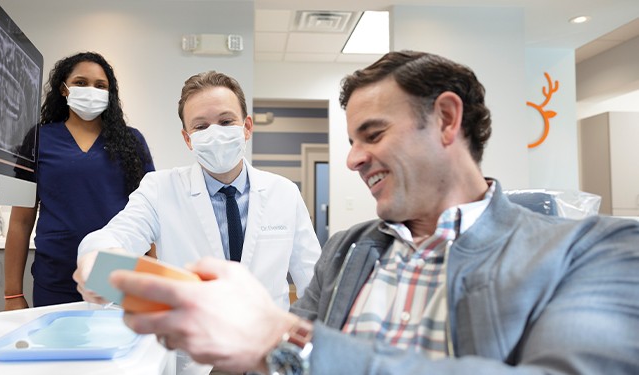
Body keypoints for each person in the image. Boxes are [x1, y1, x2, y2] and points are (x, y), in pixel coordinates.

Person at [106, 50, 639, 374]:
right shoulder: (351, 249)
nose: (353, 158)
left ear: (447, 120)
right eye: (352, 139)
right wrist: (108, 271)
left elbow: (286, 343)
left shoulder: (591, 251)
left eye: (373, 134)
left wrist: (279, 344)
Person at [74, 71, 321, 312]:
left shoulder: (284, 193)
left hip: (267, 344)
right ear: (188, 138)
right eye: (201, 126)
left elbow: (314, 281)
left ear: (246, 127)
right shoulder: (160, 189)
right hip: (188, 346)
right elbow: (113, 237)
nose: (215, 134)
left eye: (226, 122)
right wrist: (95, 259)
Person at [4, 52, 155, 309]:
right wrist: (12, 294)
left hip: (117, 277)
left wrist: (152, 282)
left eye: (100, 86)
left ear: (110, 94)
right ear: (64, 89)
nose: (91, 90)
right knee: (54, 348)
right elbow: (21, 221)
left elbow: (150, 215)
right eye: (81, 83)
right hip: (55, 278)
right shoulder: (40, 138)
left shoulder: (131, 142)